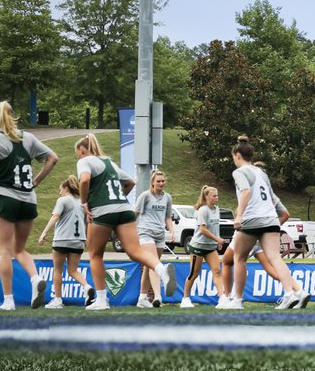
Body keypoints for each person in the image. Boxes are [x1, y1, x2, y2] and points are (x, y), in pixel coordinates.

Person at [0, 101, 59, 310]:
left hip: (5, 197)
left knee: (4, 250)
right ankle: (35, 278)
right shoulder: (27, 137)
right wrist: (36, 181)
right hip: (28, 200)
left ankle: (8, 301)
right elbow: (52, 158)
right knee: (19, 249)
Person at [75, 133, 174, 310]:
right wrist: (118, 200)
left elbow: (84, 179)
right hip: (125, 209)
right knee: (135, 251)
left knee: (95, 255)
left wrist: (84, 203)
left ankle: (101, 300)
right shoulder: (109, 163)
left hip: (102, 211)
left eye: (78, 153)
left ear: (82, 150)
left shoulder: (85, 161)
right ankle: (161, 269)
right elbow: (130, 182)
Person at [230, 137, 309, 309]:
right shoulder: (261, 173)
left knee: (239, 257)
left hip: (252, 219)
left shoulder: (239, 172)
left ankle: (237, 300)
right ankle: (293, 293)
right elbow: (273, 199)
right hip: (271, 219)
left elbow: (245, 192)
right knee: (275, 257)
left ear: (237, 155)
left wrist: (239, 216)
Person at [36, 176, 95, 309]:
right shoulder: (82, 202)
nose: (59, 192)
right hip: (79, 240)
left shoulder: (62, 200)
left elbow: (55, 216)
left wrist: (44, 232)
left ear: (66, 188)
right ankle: (87, 286)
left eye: (60, 189)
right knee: (73, 270)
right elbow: (87, 222)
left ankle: (57, 300)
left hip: (62, 240)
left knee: (57, 270)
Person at [133, 169, 175, 308]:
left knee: (149, 266)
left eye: (163, 181)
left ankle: (142, 298)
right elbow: (135, 214)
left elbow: (168, 216)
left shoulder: (167, 197)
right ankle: (158, 296)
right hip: (145, 232)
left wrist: (172, 231)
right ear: (152, 182)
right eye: (158, 181)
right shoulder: (145, 196)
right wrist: (129, 232)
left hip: (160, 235)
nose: (161, 183)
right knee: (154, 263)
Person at [181, 186, 224, 309]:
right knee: (194, 274)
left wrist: (218, 242)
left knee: (217, 271)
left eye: (217, 195)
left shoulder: (217, 209)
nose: (217, 198)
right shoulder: (203, 210)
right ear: (207, 197)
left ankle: (222, 298)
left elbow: (216, 228)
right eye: (214, 196)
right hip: (198, 247)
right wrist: (217, 239)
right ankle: (185, 299)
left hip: (210, 247)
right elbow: (203, 229)